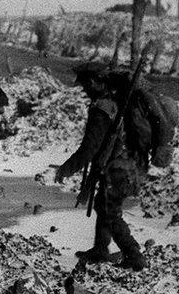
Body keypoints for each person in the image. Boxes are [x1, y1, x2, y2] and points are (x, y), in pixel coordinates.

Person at [54, 62, 149, 271]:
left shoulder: (102, 109)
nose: (85, 90)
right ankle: (100, 250)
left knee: (110, 212)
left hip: (118, 169)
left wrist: (67, 169)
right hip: (131, 165)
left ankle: (134, 255)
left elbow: (89, 148)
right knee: (102, 204)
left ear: (95, 81)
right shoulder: (118, 100)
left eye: (86, 84)